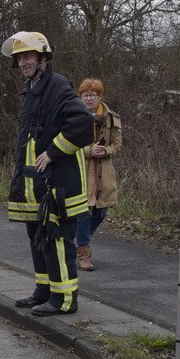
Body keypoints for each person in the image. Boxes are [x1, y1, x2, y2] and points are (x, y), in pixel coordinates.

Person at [3, 31, 93, 316]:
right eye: (19, 59)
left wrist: (53, 151)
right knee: (38, 238)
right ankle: (44, 291)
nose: (22, 63)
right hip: (35, 186)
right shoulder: (33, 87)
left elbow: (82, 125)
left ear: (42, 57)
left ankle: (65, 299)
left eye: (27, 56)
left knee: (56, 239)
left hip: (58, 184)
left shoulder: (57, 85)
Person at [76, 78, 122, 271]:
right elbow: (66, 145)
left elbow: (117, 144)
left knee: (101, 211)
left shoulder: (112, 118)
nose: (89, 98)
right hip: (82, 171)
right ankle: (83, 254)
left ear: (100, 96)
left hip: (104, 172)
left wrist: (106, 151)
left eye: (93, 94)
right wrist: (88, 151)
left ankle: (78, 242)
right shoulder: (73, 116)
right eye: (85, 95)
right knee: (84, 213)